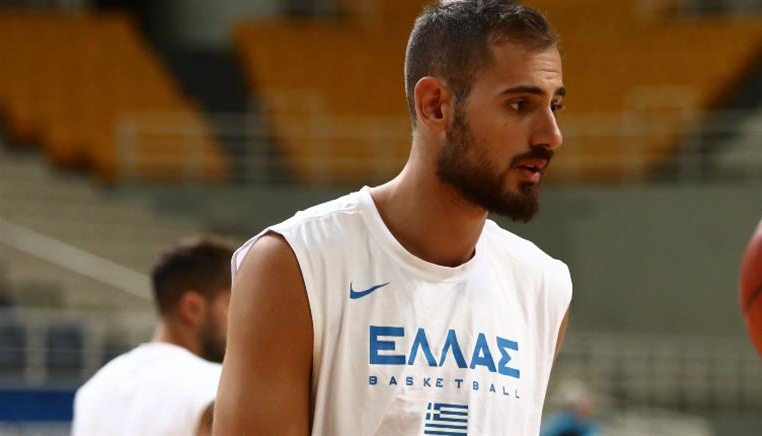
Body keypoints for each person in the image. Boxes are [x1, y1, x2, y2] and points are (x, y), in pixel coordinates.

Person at [214, 0, 571, 434]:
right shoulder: (294, 264)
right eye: (519, 105)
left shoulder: (542, 284)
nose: (552, 135)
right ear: (435, 105)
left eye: (555, 106)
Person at [72, 237, 235, 436]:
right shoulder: (215, 385)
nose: (240, 318)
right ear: (193, 308)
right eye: (231, 304)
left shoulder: (93, 389)